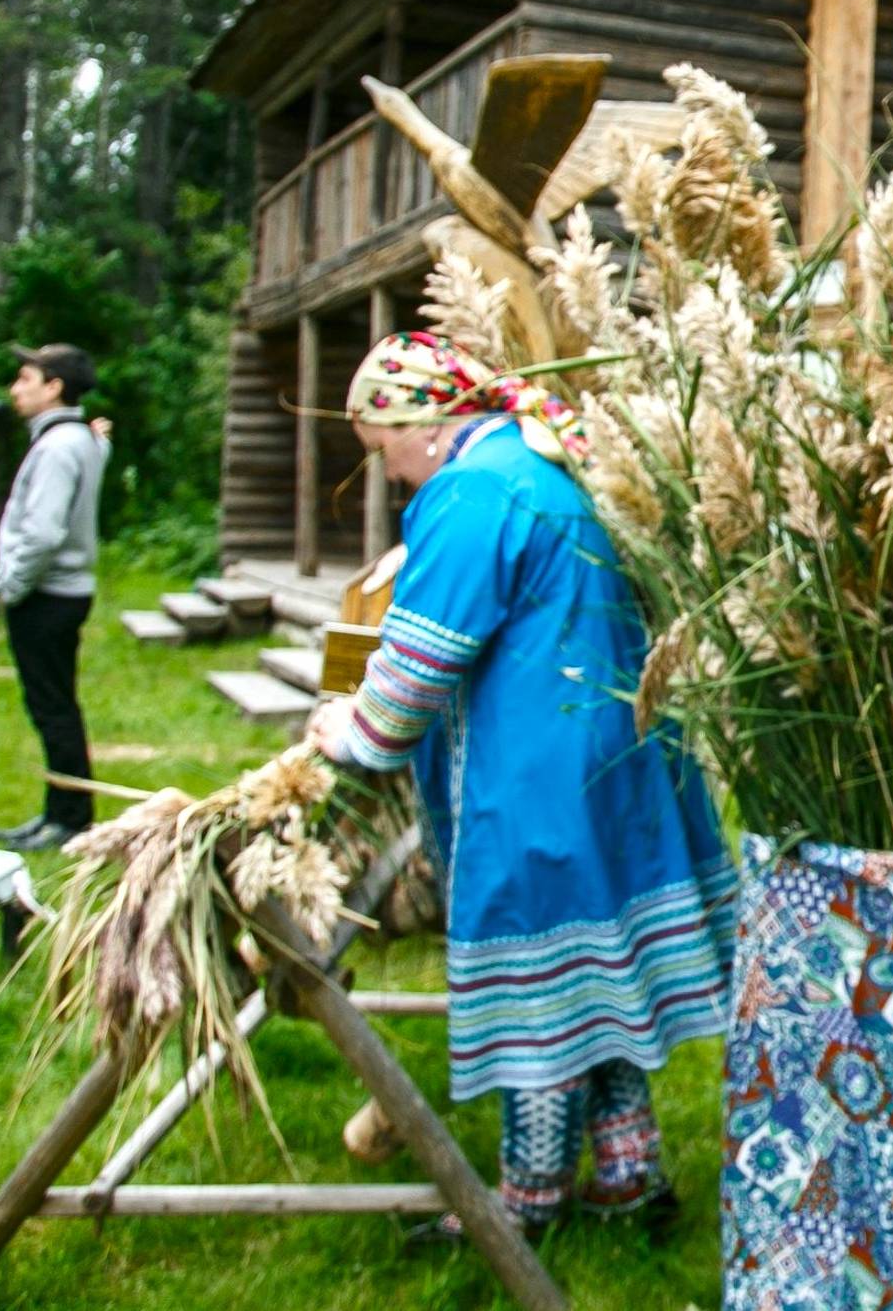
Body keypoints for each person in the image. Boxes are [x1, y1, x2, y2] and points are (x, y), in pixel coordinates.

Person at [304, 331, 733, 1245]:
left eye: (382, 451)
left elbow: (417, 668)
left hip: (537, 779)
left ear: (420, 420)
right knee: (594, 982)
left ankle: (523, 1206)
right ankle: (628, 1174)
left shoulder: (474, 489)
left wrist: (352, 728)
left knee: (539, 995)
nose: (387, 476)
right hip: (613, 761)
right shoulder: (541, 460)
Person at [0, 343, 108, 852]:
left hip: (47, 593)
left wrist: (10, 585)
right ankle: (59, 812)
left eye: (25, 379)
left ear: (54, 386)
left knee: (54, 709)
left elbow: (42, 532)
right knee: (55, 707)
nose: (15, 390)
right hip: (61, 591)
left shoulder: (59, 446)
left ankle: (69, 820)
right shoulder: (78, 438)